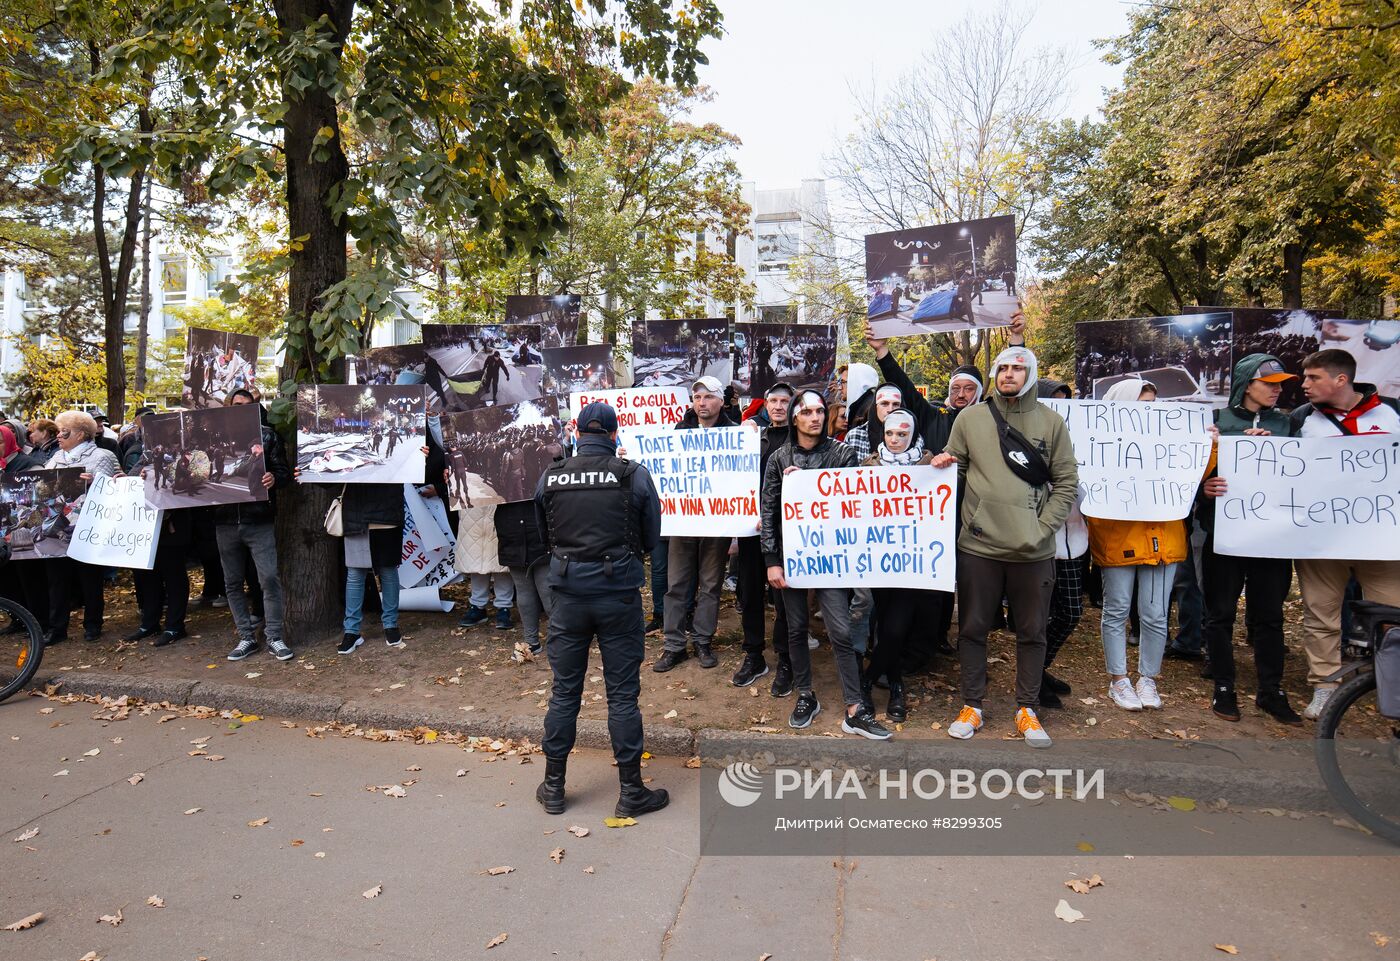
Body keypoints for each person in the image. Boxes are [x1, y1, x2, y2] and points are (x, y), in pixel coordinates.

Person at [932, 346, 1078, 748]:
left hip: (1033, 551)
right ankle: (972, 705)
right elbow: (956, 466)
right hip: (980, 547)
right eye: (1003, 368)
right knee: (973, 629)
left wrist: (1043, 528)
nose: (1009, 374)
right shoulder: (970, 418)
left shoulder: (1051, 423)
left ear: (1031, 374)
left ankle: (1026, 708)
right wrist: (938, 465)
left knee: (1032, 631)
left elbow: (1067, 482)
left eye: (1019, 368)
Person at [533, 401, 666, 817]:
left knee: (564, 693)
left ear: (576, 431)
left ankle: (554, 786)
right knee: (623, 697)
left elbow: (545, 535)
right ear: (613, 434)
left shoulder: (551, 475)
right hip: (618, 597)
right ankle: (631, 792)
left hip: (568, 597)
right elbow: (651, 537)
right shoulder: (633, 475)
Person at [761, 389, 891, 739]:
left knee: (841, 631)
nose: (815, 417)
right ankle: (806, 694)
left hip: (832, 558)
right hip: (793, 558)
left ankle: (854, 707)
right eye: (807, 412)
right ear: (794, 417)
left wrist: (804, 486)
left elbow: (852, 502)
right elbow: (769, 512)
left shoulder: (842, 453)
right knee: (795, 628)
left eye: (820, 411)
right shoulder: (778, 458)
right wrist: (773, 561)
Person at [1289, 349, 1400, 719]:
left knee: (1392, 616)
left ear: (1341, 379)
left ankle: (1389, 683)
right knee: (1320, 614)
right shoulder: (1300, 420)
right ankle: (1325, 688)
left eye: (1313, 378)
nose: (1304, 385)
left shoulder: (1393, 412)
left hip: (1382, 539)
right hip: (1322, 539)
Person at [1198, 354, 1302, 724]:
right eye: (1269, 383)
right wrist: (1204, 487)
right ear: (1246, 383)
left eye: (1280, 384)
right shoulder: (1216, 422)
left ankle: (1271, 691)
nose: (1277, 389)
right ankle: (1224, 687)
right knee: (1220, 614)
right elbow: (1188, 472)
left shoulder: (1288, 425)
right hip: (1224, 537)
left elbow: (1306, 476)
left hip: (1271, 539)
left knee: (1270, 616)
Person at [1089, 378, 1189, 712]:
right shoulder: (1100, 445)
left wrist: (1212, 445)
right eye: (1142, 404)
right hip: (1118, 540)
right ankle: (1119, 680)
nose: (1150, 412)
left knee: (1156, 614)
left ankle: (1148, 679)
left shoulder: (1174, 442)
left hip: (1163, 541)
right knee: (1116, 609)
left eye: (1153, 405)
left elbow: (1199, 472)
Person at [653, 376, 735, 673]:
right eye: (697, 397)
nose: (702, 402)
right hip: (684, 523)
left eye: (708, 397)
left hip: (717, 525)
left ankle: (702, 640)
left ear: (721, 401)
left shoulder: (737, 435)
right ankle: (674, 645)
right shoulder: (679, 431)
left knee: (710, 585)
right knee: (676, 585)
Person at [860, 409, 933, 721]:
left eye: (902, 434)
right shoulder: (868, 464)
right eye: (890, 434)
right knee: (882, 623)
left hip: (912, 561)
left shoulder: (929, 463)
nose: (895, 439)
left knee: (895, 628)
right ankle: (896, 685)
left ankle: (865, 680)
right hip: (879, 559)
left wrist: (944, 467)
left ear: (912, 435)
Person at [220, 390, 294, 662]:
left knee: (269, 578)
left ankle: (274, 636)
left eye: (247, 406)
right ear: (228, 406)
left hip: (258, 519)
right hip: (224, 521)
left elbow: (284, 473)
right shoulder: (213, 435)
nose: (241, 409)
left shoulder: (268, 436)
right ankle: (245, 637)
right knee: (232, 582)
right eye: (237, 404)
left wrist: (274, 478)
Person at [731, 383, 794, 693]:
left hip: (786, 532)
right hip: (751, 528)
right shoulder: (753, 435)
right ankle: (754, 654)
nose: (779, 406)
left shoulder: (800, 439)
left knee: (784, 598)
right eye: (774, 400)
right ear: (765, 404)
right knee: (750, 594)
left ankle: (785, 658)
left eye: (785, 401)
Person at [45, 411, 119, 644]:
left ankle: (93, 624)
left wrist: (93, 482)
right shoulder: (56, 457)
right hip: (58, 528)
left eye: (63, 431)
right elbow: (42, 488)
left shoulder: (102, 455)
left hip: (87, 526)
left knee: (90, 579)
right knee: (57, 580)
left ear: (79, 434)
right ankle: (57, 628)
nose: (58, 436)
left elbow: (113, 489)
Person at [334, 482, 408, 654]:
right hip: (356, 512)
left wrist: (421, 456)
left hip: (386, 510)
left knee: (388, 570)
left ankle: (390, 625)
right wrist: (311, 471)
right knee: (355, 572)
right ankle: (351, 631)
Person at [495, 501, 552, 655]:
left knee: (547, 591)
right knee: (525, 590)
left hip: (539, 530)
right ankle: (531, 641)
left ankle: (564, 639)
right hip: (513, 531)